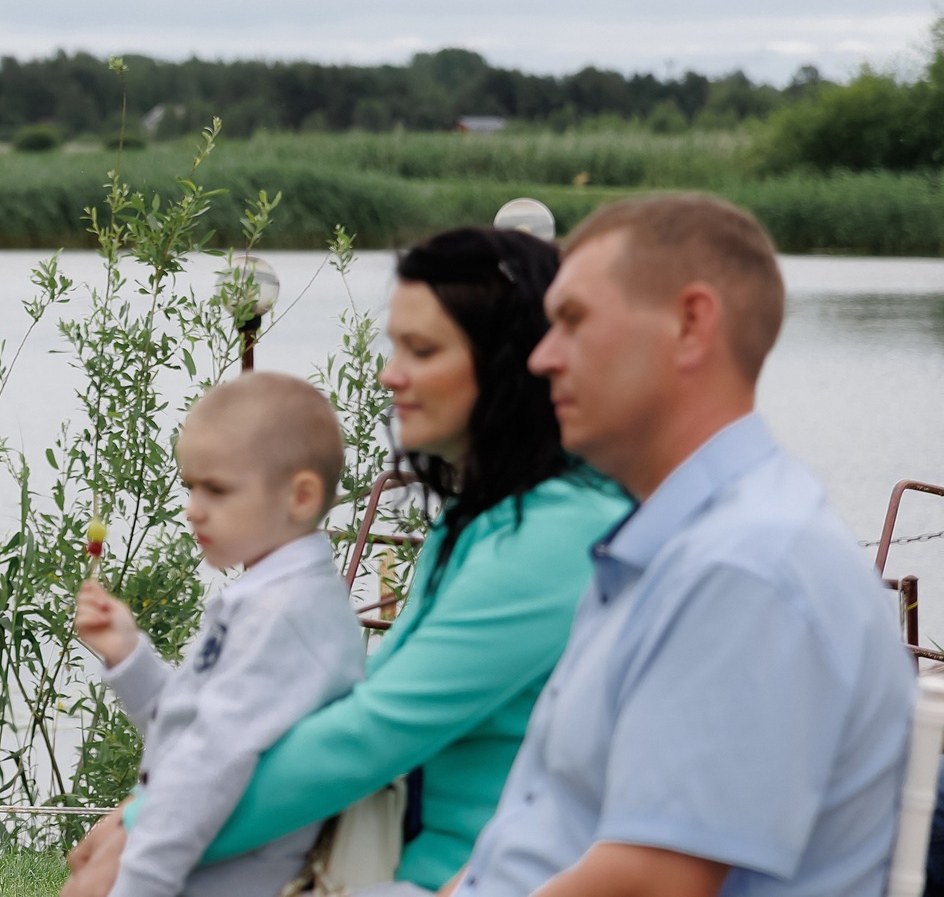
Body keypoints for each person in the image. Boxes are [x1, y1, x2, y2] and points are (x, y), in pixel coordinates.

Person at [67, 227, 631, 897]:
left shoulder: (557, 532)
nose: (390, 373)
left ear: (508, 360)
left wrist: (144, 827)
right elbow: (353, 705)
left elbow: (369, 734)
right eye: (394, 345)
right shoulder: (480, 516)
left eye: (421, 350)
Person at [449, 194, 913, 897]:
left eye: (572, 321)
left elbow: (651, 883)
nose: (541, 357)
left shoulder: (749, 566)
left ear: (690, 325)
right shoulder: (673, 551)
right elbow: (529, 844)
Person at [68, 372, 369, 897]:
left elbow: (204, 771)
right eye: (190, 486)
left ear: (299, 497)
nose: (193, 507)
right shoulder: (268, 600)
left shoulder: (288, 618)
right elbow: (189, 730)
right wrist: (128, 654)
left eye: (217, 489)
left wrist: (135, 882)